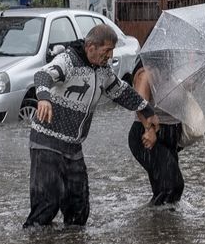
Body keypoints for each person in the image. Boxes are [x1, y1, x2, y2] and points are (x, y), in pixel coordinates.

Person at [25, 24, 159, 227]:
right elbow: (42, 75)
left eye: (112, 51)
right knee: (46, 206)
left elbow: (122, 92)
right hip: (47, 143)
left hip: (73, 148)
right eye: (106, 51)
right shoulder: (67, 61)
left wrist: (148, 111)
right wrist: (43, 97)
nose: (109, 56)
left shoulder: (102, 71)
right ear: (90, 47)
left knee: (79, 210)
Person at [128, 60, 186, 205]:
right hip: (148, 136)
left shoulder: (172, 74)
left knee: (164, 188)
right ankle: (157, 222)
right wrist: (148, 129)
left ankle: (158, 224)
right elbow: (139, 103)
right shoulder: (146, 74)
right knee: (172, 185)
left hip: (170, 139)